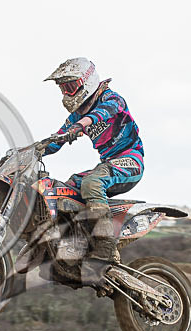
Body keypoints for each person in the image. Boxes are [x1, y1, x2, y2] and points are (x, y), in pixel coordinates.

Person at [39, 58, 144, 290]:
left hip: (130, 160)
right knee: (65, 188)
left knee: (91, 183)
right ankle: (75, 246)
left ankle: (105, 245)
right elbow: (57, 140)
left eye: (70, 86)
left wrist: (80, 125)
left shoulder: (111, 98)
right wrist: (35, 150)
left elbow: (102, 114)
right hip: (108, 163)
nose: (66, 92)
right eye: (63, 88)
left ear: (87, 82)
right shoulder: (77, 115)